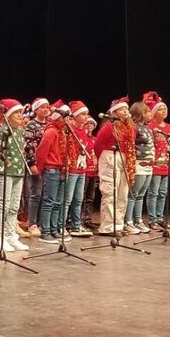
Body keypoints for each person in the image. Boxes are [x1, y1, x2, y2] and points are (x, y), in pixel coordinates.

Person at [0, 99, 31, 252]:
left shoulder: (20, 131)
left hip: (19, 172)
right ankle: (0, 237)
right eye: (16, 113)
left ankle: (10, 235)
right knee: (4, 204)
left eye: (21, 112)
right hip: (5, 171)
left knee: (14, 206)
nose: (20, 115)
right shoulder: (2, 130)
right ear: (8, 115)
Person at [94, 97, 135, 236]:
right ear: (114, 112)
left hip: (124, 157)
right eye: (122, 109)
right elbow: (98, 145)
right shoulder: (109, 126)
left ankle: (118, 224)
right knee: (110, 193)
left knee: (122, 193)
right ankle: (107, 226)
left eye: (126, 109)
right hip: (110, 156)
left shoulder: (129, 127)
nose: (125, 111)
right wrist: (105, 159)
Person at [34, 100, 71, 244]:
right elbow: (41, 151)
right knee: (49, 201)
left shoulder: (64, 133)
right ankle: (45, 231)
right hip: (52, 169)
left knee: (58, 202)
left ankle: (54, 229)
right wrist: (41, 168)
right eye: (65, 117)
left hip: (62, 169)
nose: (68, 120)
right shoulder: (51, 131)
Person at [62, 101, 93, 237]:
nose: (86, 117)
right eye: (83, 114)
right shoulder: (70, 130)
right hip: (72, 169)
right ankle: (61, 225)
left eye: (87, 114)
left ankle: (76, 225)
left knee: (78, 199)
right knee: (67, 199)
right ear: (75, 116)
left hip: (82, 169)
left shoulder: (84, 131)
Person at [144, 91, 170, 230]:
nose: (164, 111)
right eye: (161, 109)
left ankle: (161, 217)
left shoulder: (169, 127)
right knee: (153, 192)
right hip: (154, 163)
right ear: (154, 112)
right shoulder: (150, 126)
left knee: (163, 192)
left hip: (165, 163)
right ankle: (152, 220)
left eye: (165, 109)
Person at [123, 101, 155, 235]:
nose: (150, 114)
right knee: (133, 194)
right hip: (138, 165)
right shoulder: (133, 127)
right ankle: (128, 222)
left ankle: (138, 220)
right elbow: (130, 146)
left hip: (148, 165)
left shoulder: (147, 128)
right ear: (141, 113)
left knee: (141, 195)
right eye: (147, 111)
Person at [23, 97, 51, 237]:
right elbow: (28, 146)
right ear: (36, 110)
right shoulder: (31, 125)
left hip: (49, 164)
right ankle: (32, 223)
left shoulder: (50, 125)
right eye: (43, 107)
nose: (46, 109)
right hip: (36, 164)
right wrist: (32, 163)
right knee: (36, 194)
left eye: (47, 107)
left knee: (46, 194)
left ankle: (42, 222)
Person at [80, 118, 100, 230]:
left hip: (93, 172)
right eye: (87, 123)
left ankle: (87, 218)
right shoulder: (83, 138)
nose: (89, 126)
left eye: (92, 124)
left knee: (90, 197)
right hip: (85, 171)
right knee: (81, 197)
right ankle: (79, 219)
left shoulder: (95, 139)